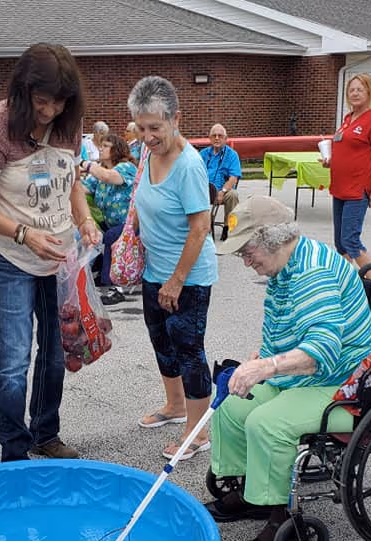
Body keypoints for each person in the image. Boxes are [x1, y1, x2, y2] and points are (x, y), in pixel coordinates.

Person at [204, 196, 371, 541]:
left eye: (248, 251)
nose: (246, 262)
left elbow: (322, 350)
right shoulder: (285, 265)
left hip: (351, 382)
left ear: (273, 240)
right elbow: (282, 327)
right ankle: (251, 492)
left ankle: (278, 516)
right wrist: (262, 358)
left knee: (268, 423)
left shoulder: (313, 273)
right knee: (232, 408)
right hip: (312, 376)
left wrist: (266, 368)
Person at [0, 43, 100, 462]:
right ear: (23, 92)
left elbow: (71, 180)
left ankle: (45, 432)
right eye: (42, 101)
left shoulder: (68, 124)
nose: (50, 111)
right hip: (9, 254)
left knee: (56, 352)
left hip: (57, 253)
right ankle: (14, 449)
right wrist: (23, 233)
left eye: (59, 102)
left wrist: (85, 220)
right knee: (15, 359)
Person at [128, 75, 216, 461]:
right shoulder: (149, 154)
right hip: (154, 271)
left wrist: (177, 281)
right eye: (141, 127)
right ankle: (175, 405)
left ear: (176, 118)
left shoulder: (189, 165)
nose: (147, 136)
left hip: (188, 277)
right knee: (161, 341)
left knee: (189, 350)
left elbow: (201, 227)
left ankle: (198, 435)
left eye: (155, 128)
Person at [323, 73, 371, 280]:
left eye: (359, 89)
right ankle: (345, 283)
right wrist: (331, 161)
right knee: (340, 242)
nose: (355, 93)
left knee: (351, 240)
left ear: (369, 92)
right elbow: (348, 151)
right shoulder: (347, 119)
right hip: (339, 188)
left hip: (357, 189)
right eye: (351, 90)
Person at [80, 132, 138, 305]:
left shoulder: (126, 168)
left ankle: (115, 288)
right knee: (93, 234)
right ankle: (93, 275)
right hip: (110, 223)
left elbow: (109, 177)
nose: (100, 148)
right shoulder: (99, 174)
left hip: (132, 223)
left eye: (105, 146)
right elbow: (83, 189)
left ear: (116, 150)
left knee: (111, 236)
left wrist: (84, 163)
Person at [199, 123, 242, 232]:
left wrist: (222, 191)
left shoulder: (232, 155)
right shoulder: (202, 154)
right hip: (204, 190)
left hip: (222, 191)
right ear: (209, 138)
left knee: (233, 194)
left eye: (220, 135)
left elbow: (233, 178)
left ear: (225, 138)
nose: (217, 138)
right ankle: (195, 226)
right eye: (214, 135)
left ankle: (228, 228)